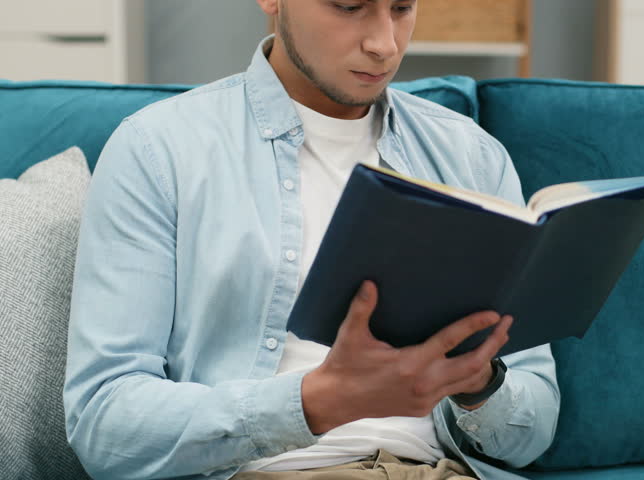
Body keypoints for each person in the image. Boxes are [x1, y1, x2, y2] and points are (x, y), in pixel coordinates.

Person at [63, 1, 560, 479]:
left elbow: (531, 433)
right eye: (348, 6)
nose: (384, 44)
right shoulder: (159, 150)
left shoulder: (471, 157)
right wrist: (316, 401)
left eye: (403, 7)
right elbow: (104, 425)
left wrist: (477, 382)